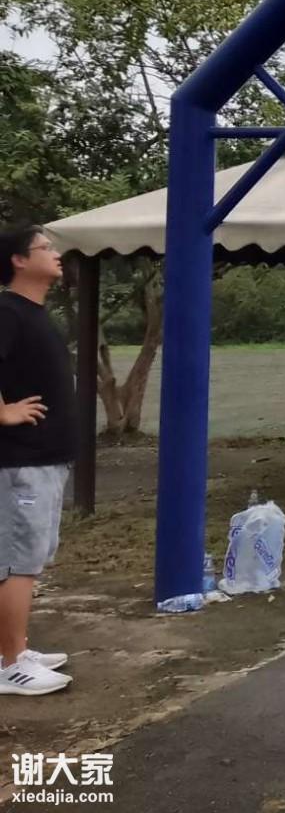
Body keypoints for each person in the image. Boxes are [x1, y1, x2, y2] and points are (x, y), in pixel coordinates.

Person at [0, 227, 74, 695]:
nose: (56, 254)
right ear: (19, 260)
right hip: (21, 460)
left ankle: (14, 649)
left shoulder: (33, 313)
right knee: (17, 563)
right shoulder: (7, 311)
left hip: (46, 458)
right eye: (46, 248)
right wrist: (3, 412)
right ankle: (11, 667)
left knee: (30, 558)